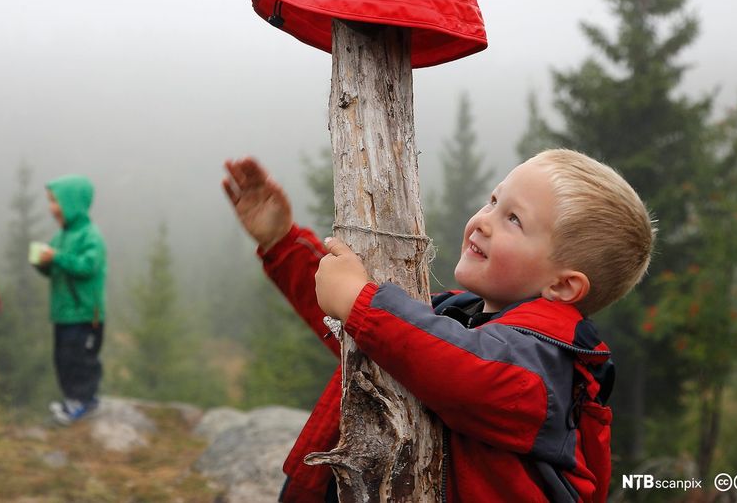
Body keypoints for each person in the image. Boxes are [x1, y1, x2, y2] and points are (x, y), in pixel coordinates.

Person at [222, 149, 655, 503]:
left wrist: (363, 303)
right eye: (492, 200)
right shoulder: (456, 318)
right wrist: (282, 243)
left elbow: (446, 360)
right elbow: (373, 336)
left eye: (513, 220)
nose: (483, 219)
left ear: (562, 285)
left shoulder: (541, 370)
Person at [33, 174, 107, 425]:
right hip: (64, 312)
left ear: (73, 203)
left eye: (56, 202)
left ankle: (84, 400)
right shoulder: (61, 236)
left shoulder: (90, 235)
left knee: (82, 358)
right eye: (51, 202)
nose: (52, 208)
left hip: (86, 312)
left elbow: (88, 266)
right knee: (63, 358)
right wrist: (42, 264)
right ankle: (72, 399)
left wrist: (57, 258)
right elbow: (55, 269)